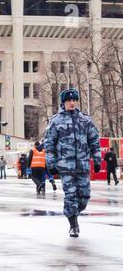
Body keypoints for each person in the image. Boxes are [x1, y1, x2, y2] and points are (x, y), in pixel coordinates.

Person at [44, 88, 101, 238]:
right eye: (69, 100)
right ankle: (73, 224)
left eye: (74, 100)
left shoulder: (85, 120)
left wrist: (97, 159)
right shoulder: (56, 121)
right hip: (65, 166)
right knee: (70, 196)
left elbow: (94, 141)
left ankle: (75, 212)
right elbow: (49, 144)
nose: (72, 103)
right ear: (64, 102)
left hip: (82, 165)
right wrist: (50, 164)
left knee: (84, 196)